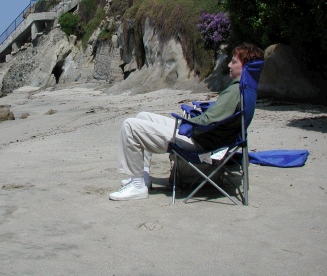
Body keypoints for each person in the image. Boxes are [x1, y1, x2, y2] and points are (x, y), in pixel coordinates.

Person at [109, 43, 264, 201]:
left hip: (199, 142)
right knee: (143, 116)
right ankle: (143, 176)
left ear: (245, 67)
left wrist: (187, 123)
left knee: (130, 126)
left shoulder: (234, 92)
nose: (230, 65)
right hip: (207, 138)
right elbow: (217, 117)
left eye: (234, 62)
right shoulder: (245, 89)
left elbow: (208, 120)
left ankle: (137, 186)